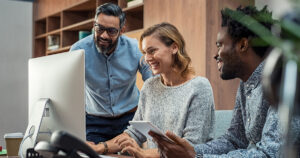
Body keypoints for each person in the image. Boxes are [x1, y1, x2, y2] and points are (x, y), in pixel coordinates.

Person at [150, 6, 282, 158]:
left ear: (243, 45)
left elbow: (270, 154)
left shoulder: (281, 81)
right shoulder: (246, 84)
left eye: (220, 45)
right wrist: (193, 151)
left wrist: (195, 157)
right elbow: (234, 141)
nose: (216, 54)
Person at [87, 22, 215, 157]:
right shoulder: (149, 86)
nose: (147, 58)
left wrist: (143, 153)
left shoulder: (199, 87)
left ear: (174, 47)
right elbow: (134, 133)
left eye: (152, 51)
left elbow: (190, 148)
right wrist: (101, 147)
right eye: (144, 52)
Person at [69, 3, 153, 144]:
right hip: (94, 121)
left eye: (111, 31)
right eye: (99, 29)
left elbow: (152, 82)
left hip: (130, 120)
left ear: (121, 30)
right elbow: (68, 88)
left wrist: (147, 112)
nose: (103, 35)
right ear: (93, 25)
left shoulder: (135, 48)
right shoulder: (78, 51)